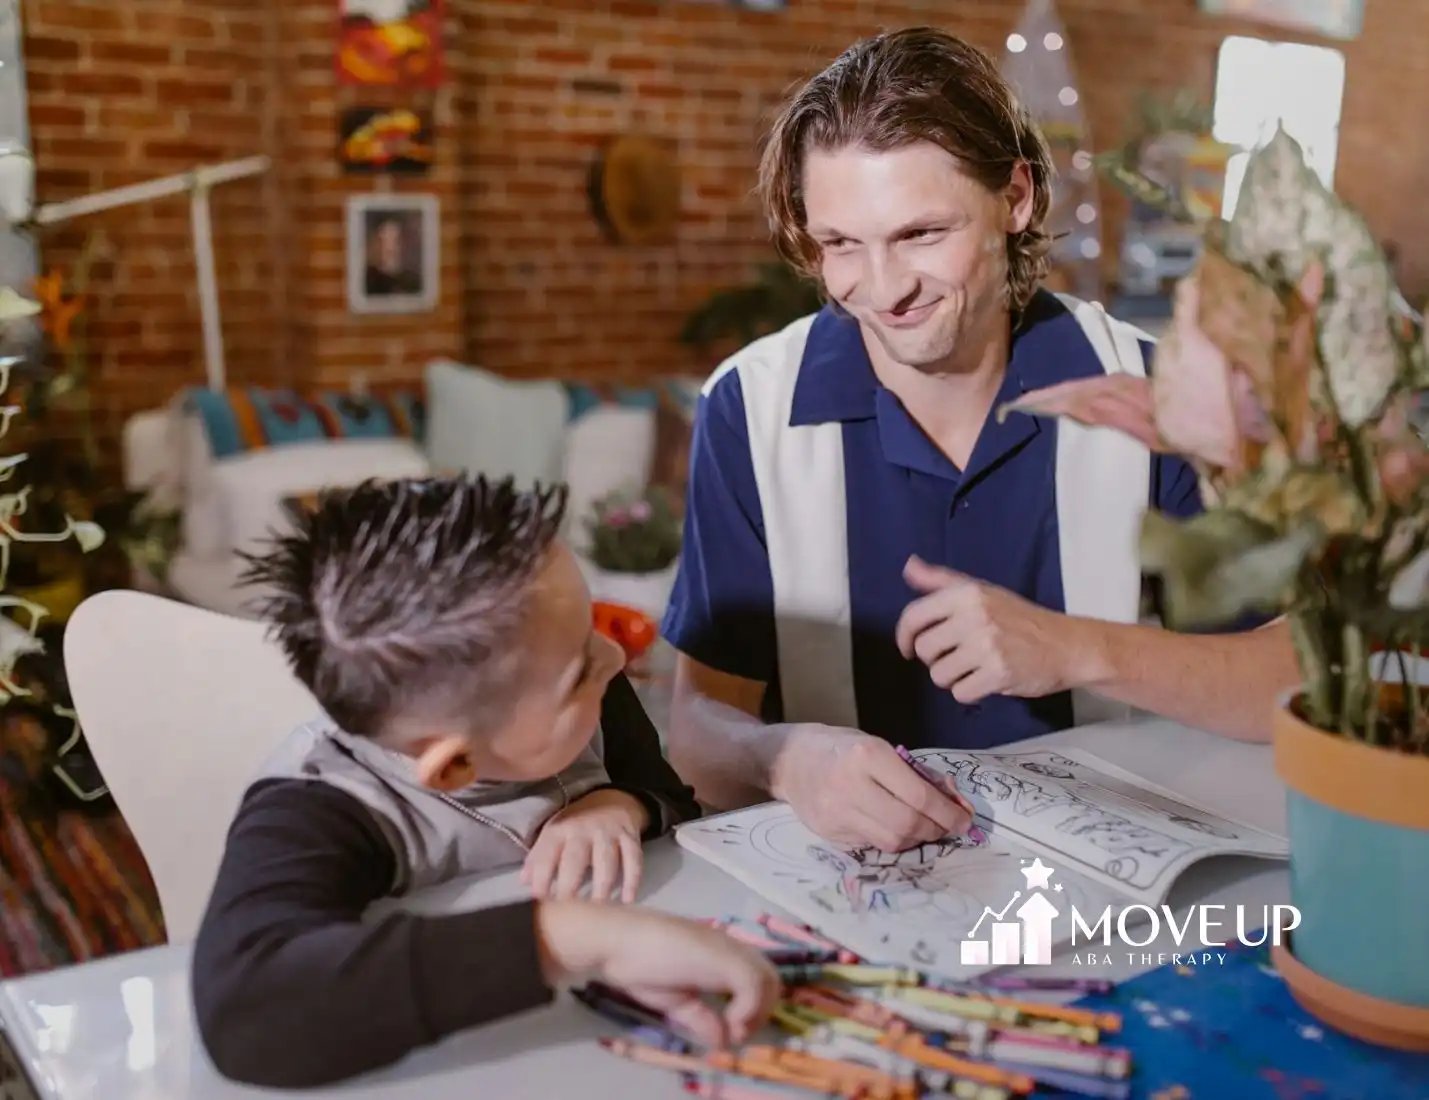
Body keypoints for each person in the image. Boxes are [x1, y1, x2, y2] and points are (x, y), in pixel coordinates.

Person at [660, 27, 1300, 854]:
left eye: (921, 234)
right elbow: (699, 733)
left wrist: (1077, 650)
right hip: (855, 887)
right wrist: (783, 757)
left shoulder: (1154, 396)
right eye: (840, 245)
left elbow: (1290, 673)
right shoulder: (746, 408)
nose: (882, 290)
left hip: (1106, 866)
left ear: (1018, 198)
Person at [192, 475, 719, 1087]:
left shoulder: (595, 684)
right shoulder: (321, 805)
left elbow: (675, 804)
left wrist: (621, 803)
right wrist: (575, 939)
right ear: (454, 767)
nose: (612, 656)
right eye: (578, 669)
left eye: (591, 624)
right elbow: (249, 1008)